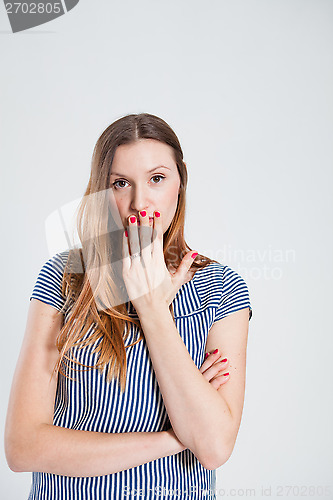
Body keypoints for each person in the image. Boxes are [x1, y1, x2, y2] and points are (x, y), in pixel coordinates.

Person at [5, 113, 252, 500]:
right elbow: (23, 448)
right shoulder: (64, 277)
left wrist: (153, 309)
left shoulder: (221, 288)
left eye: (157, 179)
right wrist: (171, 440)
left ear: (180, 181)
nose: (140, 202)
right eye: (121, 183)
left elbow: (214, 447)